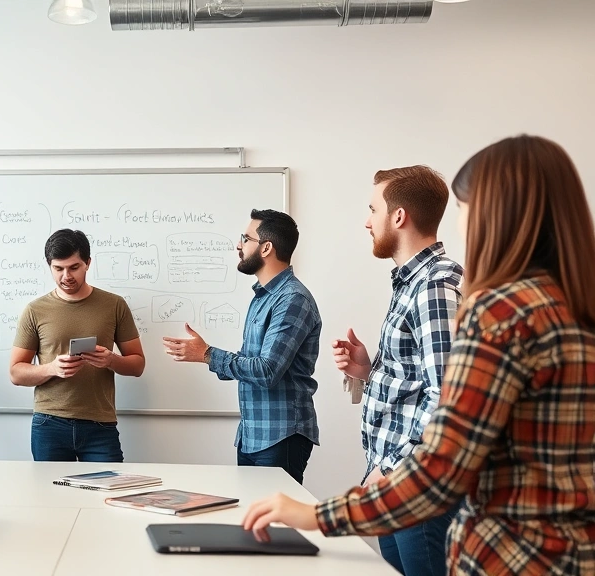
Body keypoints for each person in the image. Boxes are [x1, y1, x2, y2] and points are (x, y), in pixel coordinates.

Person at [241, 135, 595, 575]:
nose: (459, 225)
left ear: (497, 216)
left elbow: (443, 456)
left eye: (465, 209)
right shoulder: (570, 307)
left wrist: (316, 515)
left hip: (507, 556)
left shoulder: (496, 310)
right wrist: (371, 373)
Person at [331, 165, 464, 574]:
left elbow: (447, 400)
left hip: (415, 487)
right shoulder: (412, 282)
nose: (367, 221)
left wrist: (390, 471)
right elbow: (419, 382)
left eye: (373, 209)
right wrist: (369, 371)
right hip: (399, 485)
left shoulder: (434, 287)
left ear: (399, 216)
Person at [163, 209, 320, 485]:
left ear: (266, 247)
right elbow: (251, 363)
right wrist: (206, 356)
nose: (238, 245)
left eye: (245, 238)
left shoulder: (292, 299)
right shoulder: (262, 298)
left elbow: (268, 370)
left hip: (279, 436)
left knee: (272, 527)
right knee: (251, 525)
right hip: (252, 436)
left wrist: (208, 354)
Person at [9, 229, 145, 462]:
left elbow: (137, 365)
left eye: (74, 267)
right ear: (49, 265)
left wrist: (111, 360)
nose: (66, 276)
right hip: (49, 423)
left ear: (88, 263)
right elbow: (15, 373)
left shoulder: (114, 305)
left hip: (100, 425)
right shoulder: (34, 310)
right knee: (50, 497)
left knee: (107, 494)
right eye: (58, 268)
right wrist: (51, 368)